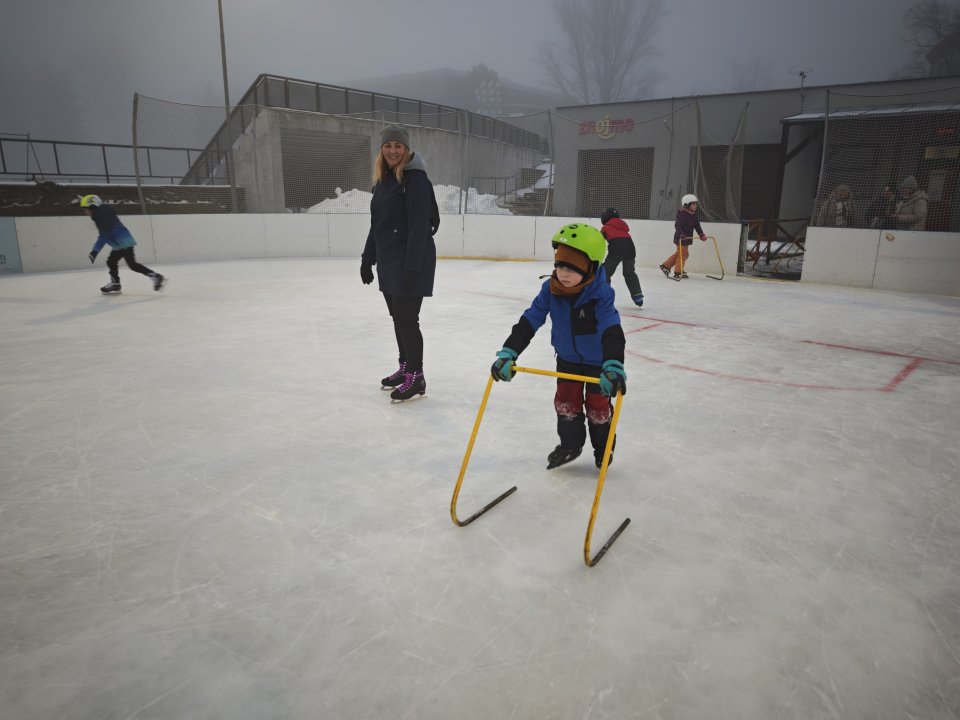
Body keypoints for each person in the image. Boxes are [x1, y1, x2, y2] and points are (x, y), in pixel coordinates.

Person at [490, 223, 626, 470]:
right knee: (566, 405)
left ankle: (603, 448)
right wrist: (509, 352)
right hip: (567, 360)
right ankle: (570, 445)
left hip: (599, 364)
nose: (563, 274)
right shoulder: (551, 290)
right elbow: (530, 320)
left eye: (572, 268)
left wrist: (613, 364)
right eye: (560, 266)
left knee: (598, 409)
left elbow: (611, 329)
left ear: (590, 267)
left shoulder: (601, 294)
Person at [361, 126, 437, 402]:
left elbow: (419, 226)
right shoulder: (382, 183)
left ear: (406, 149)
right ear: (381, 150)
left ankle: (417, 377)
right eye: (388, 145)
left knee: (407, 319)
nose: (393, 151)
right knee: (398, 319)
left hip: (411, 261)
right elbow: (377, 225)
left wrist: (412, 267)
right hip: (389, 261)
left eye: (398, 145)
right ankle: (405, 368)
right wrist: (367, 258)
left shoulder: (415, 181)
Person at [81, 194, 164, 294]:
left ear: (92, 206)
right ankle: (116, 284)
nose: (85, 212)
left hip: (123, 243)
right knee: (112, 261)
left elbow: (104, 235)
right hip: (120, 243)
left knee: (132, 265)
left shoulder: (102, 217)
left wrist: (95, 251)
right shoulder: (101, 214)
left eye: (85, 209)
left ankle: (155, 276)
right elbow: (105, 234)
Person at [600, 207, 644, 307]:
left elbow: (599, 240)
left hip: (616, 249)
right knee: (629, 273)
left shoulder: (606, 227)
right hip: (630, 249)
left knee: (605, 272)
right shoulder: (623, 227)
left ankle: (605, 296)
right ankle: (638, 296)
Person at [659, 193, 706, 280]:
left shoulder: (693, 215)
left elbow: (697, 225)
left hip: (687, 238)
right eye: (693, 204)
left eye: (696, 204)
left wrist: (701, 234)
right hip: (680, 238)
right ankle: (678, 272)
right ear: (686, 205)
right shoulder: (682, 214)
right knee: (683, 254)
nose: (695, 206)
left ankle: (666, 266)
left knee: (679, 253)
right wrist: (681, 234)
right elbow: (678, 225)